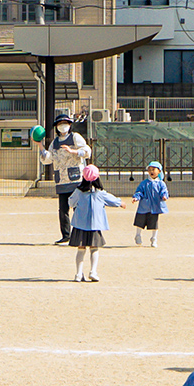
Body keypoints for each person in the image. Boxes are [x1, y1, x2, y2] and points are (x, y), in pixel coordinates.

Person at [40, 114, 91, 244]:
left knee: (78, 209)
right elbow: (48, 159)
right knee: (63, 210)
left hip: (75, 180)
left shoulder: (75, 137)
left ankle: (79, 235)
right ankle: (66, 235)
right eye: (60, 124)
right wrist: (39, 146)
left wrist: (73, 151)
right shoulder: (55, 142)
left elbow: (87, 151)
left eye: (65, 123)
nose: (63, 126)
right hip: (61, 181)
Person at [68, 165, 123, 282]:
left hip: (80, 224)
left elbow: (71, 202)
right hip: (95, 225)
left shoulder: (79, 191)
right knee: (94, 248)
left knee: (81, 248)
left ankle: (78, 274)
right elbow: (111, 199)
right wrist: (120, 203)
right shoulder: (100, 192)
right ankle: (93, 272)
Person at [130, 161, 169, 247]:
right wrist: (136, 197)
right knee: (139, 223)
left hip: (155, 208)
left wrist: (164, 196)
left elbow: (164, 192)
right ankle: (138, 235)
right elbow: (139, 191)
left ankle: (154, 239)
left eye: (153, 169)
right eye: (149, 170)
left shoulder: (161, 184)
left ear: (159, 171)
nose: (151, 171)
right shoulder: (144, 183)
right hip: (144, 207)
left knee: (154, 224)